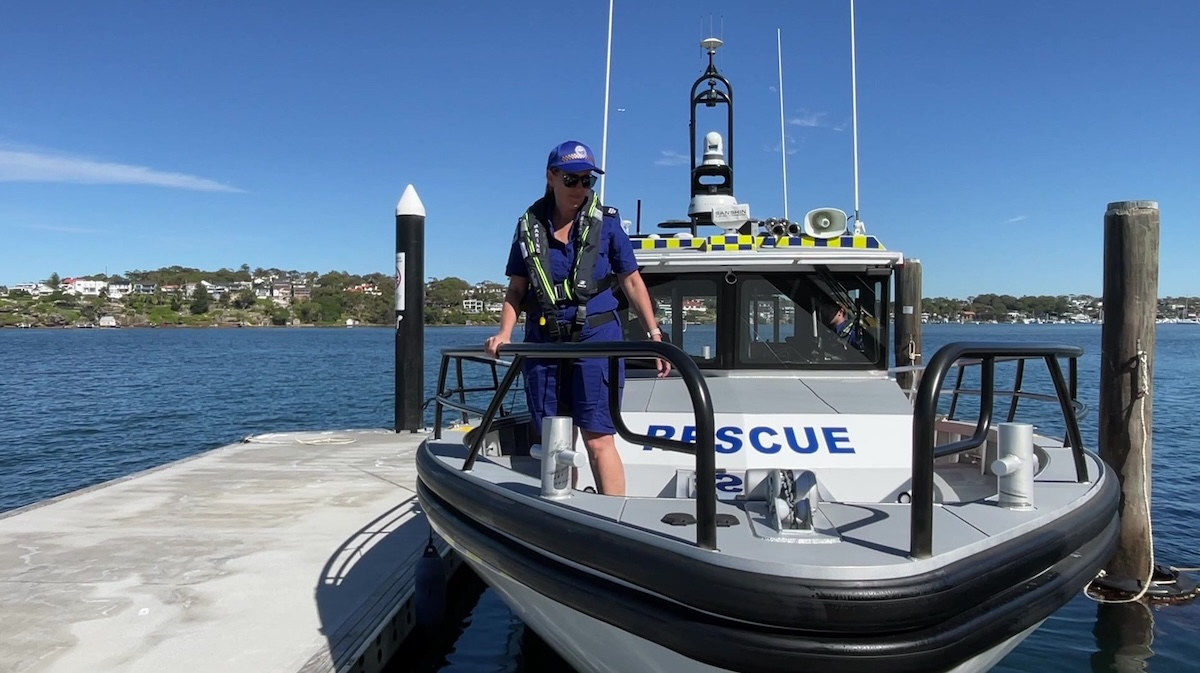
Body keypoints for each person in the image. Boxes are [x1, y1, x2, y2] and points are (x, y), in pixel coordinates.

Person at [484, 140, 669, 496]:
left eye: (588, 180)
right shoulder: (528, 227)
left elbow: (631, 281)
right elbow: (517, 289)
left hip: (596, 340)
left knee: (599, 439)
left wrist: (654, 334)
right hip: (545, 343)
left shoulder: (607, 224)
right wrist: (504, 332)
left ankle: (614, 517)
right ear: (551, 177)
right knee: (555, 439)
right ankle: (561, 512)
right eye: (571, 179)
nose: (580, 187)